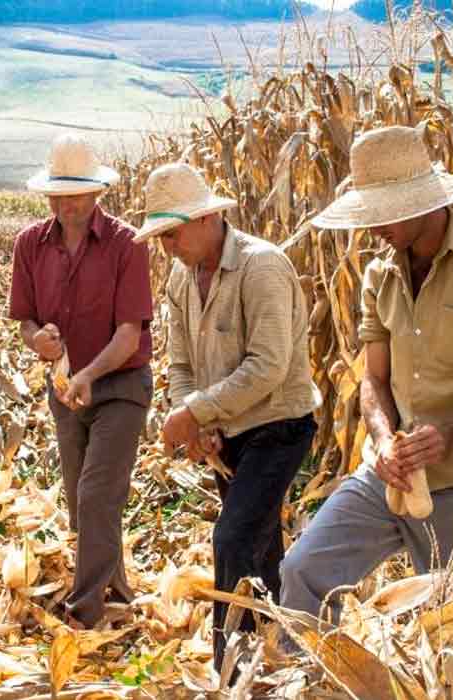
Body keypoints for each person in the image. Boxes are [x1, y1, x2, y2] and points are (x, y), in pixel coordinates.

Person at [280, 125, 453, 622]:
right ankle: (305, 683)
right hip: (387, 470)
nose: (374, 226)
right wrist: (381, 441)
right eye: (368, 214)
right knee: (303, 569)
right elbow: (373, 380)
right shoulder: (379, 274)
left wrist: (450, 437)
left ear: (426, 201)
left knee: (451, 626)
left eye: (385, 213)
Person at [134, 162, 320, 666]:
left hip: (277, 427)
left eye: (171, 234)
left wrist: (194, 411)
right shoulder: (181, 275)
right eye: (160, 237)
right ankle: (278, 654)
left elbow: (268, 367)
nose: (166, 246)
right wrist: (197, 419)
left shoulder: (262, 268)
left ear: (205, 219)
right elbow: (180, 362)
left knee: (233, 537)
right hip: (227, 433)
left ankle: (229, 668)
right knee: (259, 548)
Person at [9, 133, 154, 628]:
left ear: (97, 194)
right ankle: (119, 590)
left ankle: (84, 610)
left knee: (96, 493)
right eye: (58, 193)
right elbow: (26, 321)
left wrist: (91, 373)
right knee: (80, 500)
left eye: (77, 193)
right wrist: (39, 341)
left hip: (121, 386)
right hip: (66, 388)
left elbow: (130, 334)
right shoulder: (29, 244)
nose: (67, 203)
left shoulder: (125, 245)